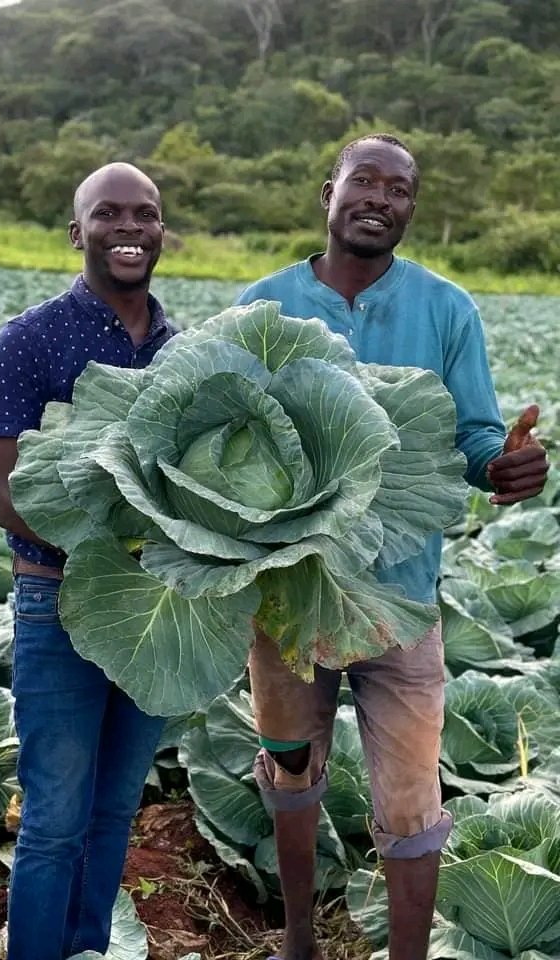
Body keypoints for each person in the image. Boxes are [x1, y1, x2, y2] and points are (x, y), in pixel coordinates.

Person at [235, 133, 549, 960]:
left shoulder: (446, 309)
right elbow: (223, 435)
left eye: (399, 190)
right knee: (291, 770)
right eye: (363, 181)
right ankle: (298, 941)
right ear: (328, 193)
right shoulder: (261, 308)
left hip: (399, 600)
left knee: (412, 801)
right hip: (289, 601)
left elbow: (474, 435)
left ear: (410, 208)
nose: (379, 198)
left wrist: (504, 465)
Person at [0, 162, 175, 960]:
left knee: (113, 813)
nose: (129, 228)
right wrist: (121, 552)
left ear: (161, 230)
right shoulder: (27, 342)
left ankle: (88, 949)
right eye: (108, 214)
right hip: (56, 604)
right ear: (77, 231)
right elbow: (9, 497)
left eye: (145, 214)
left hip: (158, 614)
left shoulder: (181, 351)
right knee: (55, 822)